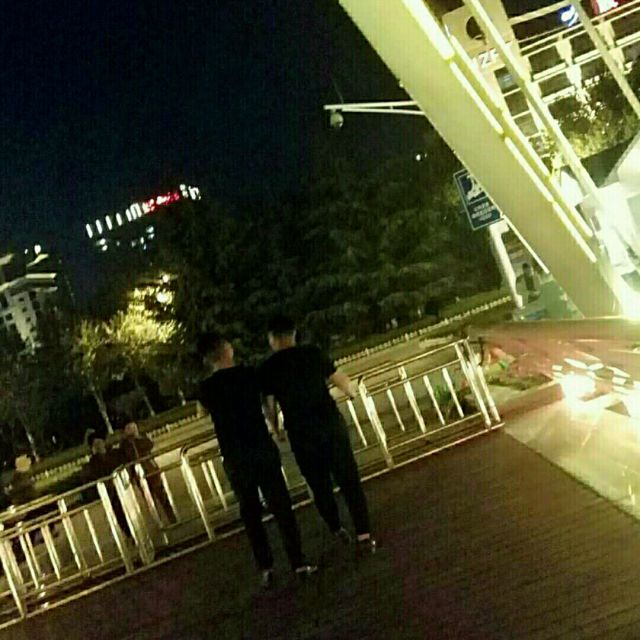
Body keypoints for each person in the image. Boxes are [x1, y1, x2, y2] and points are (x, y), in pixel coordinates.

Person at [197, 332, 316, 588]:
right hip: (260, 446)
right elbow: (267, 402)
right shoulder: (249, 374)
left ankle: (266, 567)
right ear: (227, 350)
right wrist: (275, 427)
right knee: (281, 506)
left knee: (250, 514)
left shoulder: (207, 388)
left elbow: (201, 413)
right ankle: (298, 561)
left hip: (234, 455)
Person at [260, 315, 376, 555]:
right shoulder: (312, 353)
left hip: (301, 432)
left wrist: (276, 429)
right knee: (348, 477)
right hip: (329, 422)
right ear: (293, 333)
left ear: (272, 339)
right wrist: (352, 392)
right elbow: (339, 378)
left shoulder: (269, 367)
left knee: (318, 484)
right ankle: (363, 532)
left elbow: (269, 405)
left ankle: (335, 525)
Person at [121, 422, 177, 525]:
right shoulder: (125, 445)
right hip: (139, 474)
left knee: (161, 495)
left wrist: (137, 438)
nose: (131, 430)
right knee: (149, 499)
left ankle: (172, 518)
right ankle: (159, 522)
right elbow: (128, 457)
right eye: (128, 428)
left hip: (151, 469)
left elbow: (149, 445)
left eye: (132, 427)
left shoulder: (142, 438)